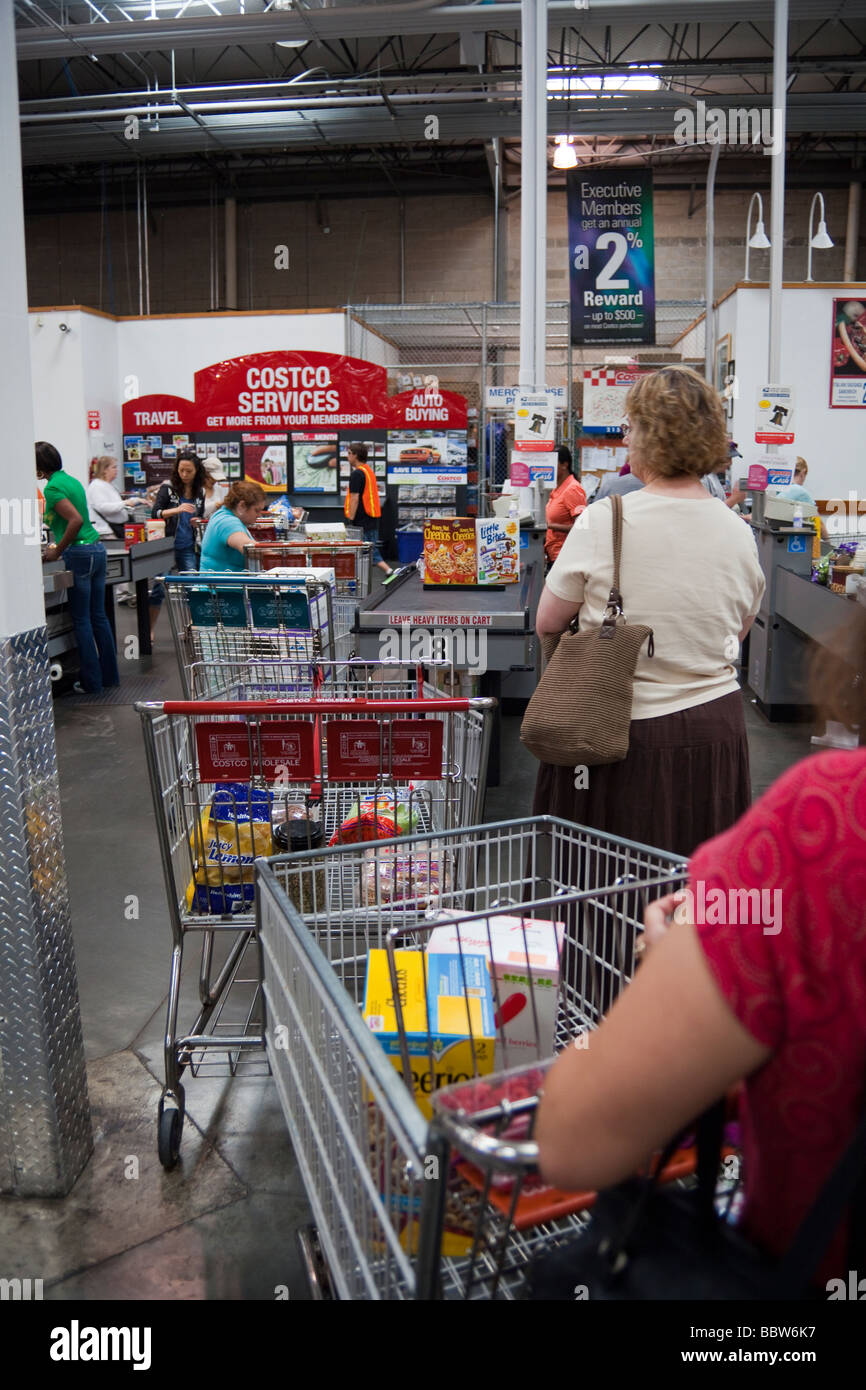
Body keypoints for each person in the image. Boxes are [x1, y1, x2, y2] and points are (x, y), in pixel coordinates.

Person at [536, 611, 866, 1288]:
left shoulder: (825, 824)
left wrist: (674, 971)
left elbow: (573, 1142)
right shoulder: (738, 542)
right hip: (709, 720)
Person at [533, 366, 765, 858]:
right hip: (715, 735)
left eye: (631, 426)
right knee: (693, 887)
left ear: (650, 435)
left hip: (611, 730)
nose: (626, 437)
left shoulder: (605, 520)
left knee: (605, 889)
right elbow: (737, 630)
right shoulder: (737, 531)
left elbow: (549, 622)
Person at [36, 441, 119, 695]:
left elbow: (75, 520)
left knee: (82, 620)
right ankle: (109, 677)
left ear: (39, 466)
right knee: (98, 617)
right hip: (96, 548)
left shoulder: (52, 488)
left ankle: (91, 683)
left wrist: (56, 551)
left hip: (79, 554)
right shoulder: (71, 480)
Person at [87, 456, 134, 601]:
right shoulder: (97, 486)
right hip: (105, 530)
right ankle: (121, 593)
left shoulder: (107, 486)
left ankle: (123, 591)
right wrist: (126, 503)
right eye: (113, 467)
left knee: (121, 560)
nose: (116, 470)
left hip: (113, 528)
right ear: (105, 469)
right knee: (116, 562)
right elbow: (103, 507)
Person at [200, 479, 267, 572]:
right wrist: (281, 553)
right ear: (242, 505)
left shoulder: (222, 514)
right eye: (256, 510)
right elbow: (248, 548)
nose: (259, 515)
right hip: (222, 585)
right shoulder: (227, 522)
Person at [345, 442, 391, 575]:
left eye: (349, 453)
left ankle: (388, 570)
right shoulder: (368, 471)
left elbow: (354, 498)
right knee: (371, 548)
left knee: (365, 548)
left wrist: (350, 519)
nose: (347, 456)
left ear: (355, 455)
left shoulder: (356, 474)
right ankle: (387, 570)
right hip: (372, 516)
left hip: (361, 518)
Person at [544, 446, 586, 567]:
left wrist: (551, 526)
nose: (549, 468)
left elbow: (583, 526)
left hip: (565, 556)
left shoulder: (573, 489)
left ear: (564, 465)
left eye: (552, 463)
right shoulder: (557, 488)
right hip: (554, 555)